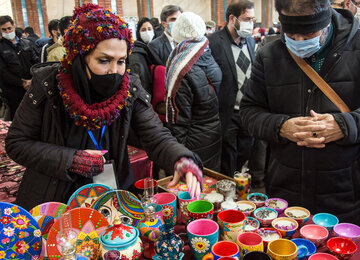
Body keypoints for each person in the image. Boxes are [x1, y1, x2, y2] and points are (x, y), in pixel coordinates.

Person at [5, 4, 203, 211]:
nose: (114, 71)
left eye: (121, 61)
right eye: (103, 60)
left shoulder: (129, 88)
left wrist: (181, 157)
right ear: (80, 57)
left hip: (110, 196)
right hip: (55, 197)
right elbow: (17, 143)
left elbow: (156, 135)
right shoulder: (48, 86)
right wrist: (71, 160)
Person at [240, 0, 360, 224]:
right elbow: (249, 111)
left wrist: (345, 125)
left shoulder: (357, 48)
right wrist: (281, 126)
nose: (298, 41)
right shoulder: (269, 54)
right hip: (285, 191)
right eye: (291, 34)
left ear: (326, 21)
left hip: (344, 194)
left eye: (308, 33)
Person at [166, 12, 222, 171]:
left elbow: (179, 121)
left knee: (191, 188)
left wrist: (178, 153)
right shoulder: (207, 55)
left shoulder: (182, 69)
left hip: (193, 140)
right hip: (213, 132)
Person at [208, 0, 256, 177]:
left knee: (245, 150)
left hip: (247, 110)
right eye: (246, 19)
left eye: (252, 19)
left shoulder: (250, 42)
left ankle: (238, 183)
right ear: (232, 18)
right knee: (228, 155)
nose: (250, 24)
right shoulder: (214, 42)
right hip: (226, 110)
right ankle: (228, 192)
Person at [0, 15, 39, 120]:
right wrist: (22, 82)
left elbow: (37, 62)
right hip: (13, 92)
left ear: (14, 26)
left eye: (9, 28)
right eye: (4, 30)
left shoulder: (26, 43)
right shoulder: (1, 48)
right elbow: (3, 72)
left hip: (32, 87)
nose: (7, 32)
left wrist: (33, 79)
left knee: (35, 118)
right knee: (18, 120)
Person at [128, 18, 154, 94]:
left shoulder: (153, 49)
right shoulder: (136, 53)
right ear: (138, 33)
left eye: (149, 29)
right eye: (143, 30)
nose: (147, 32)